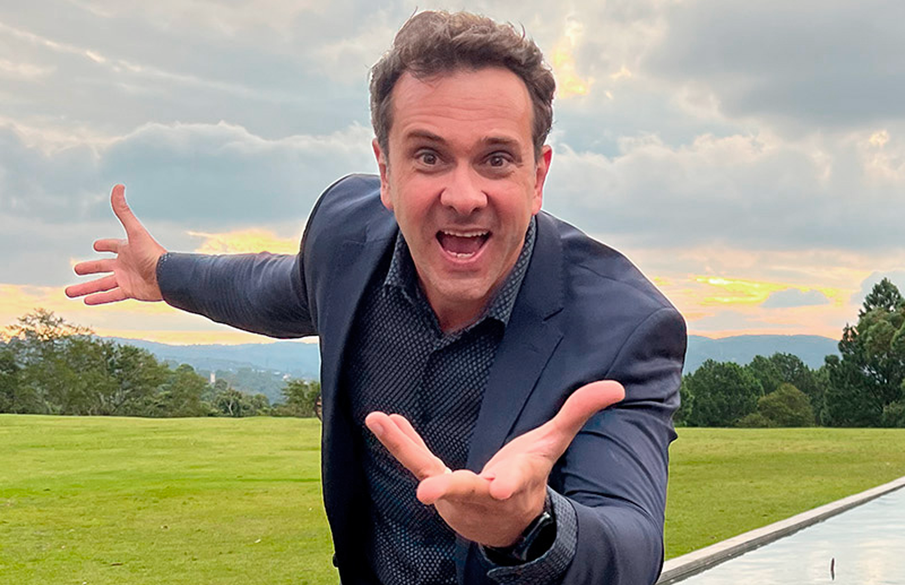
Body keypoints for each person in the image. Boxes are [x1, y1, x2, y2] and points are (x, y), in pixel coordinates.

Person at [66, 10, 686, 585]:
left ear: (538, 175)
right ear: (386, 172)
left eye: (496, 159)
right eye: (429, 156)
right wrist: (164, 273)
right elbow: (270, 289)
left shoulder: (623, 325)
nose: (463, 196)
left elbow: (632, 543)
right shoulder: (345, 236)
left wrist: (530, 526)